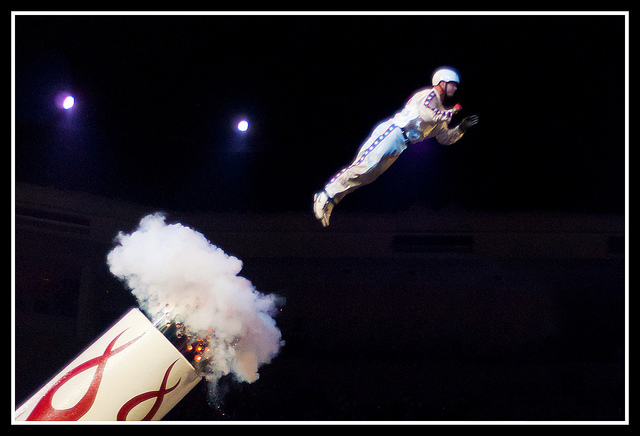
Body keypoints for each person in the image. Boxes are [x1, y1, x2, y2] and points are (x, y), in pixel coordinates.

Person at [313, 66, 479, 227]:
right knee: (364, 165)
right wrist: (450, 112)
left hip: (402, 144)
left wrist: (460, 128)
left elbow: (444, 138)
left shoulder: (441, 113)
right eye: (453, 84)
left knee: (369, 175)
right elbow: (426, 113)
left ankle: (332, 200)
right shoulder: (429, 95)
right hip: (393, 132)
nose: (455, 88)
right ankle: (325, 194)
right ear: (442, 82)